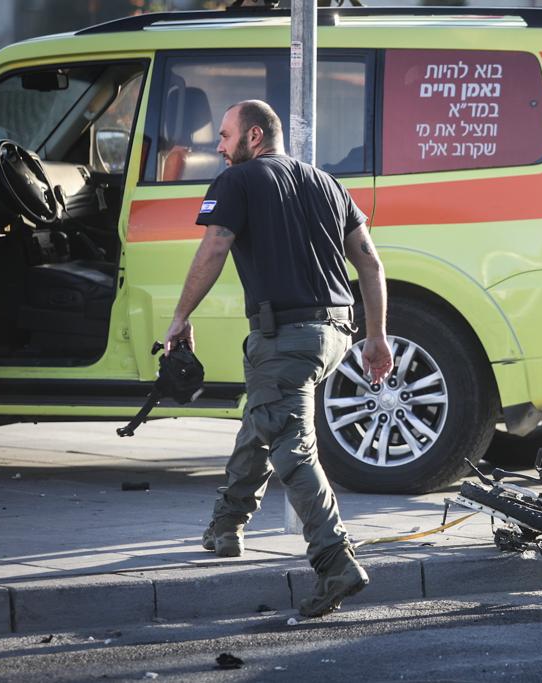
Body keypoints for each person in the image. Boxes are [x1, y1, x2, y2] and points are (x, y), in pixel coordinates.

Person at [164, 99, 393, 618]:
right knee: (263, 419)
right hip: (335, 333)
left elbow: (214, 249)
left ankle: (335, 562)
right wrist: (377, 338)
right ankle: (226, 526)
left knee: (294, 448)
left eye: (224, 136)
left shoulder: (236, 181)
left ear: (252, 137)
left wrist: (179, 317)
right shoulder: (329, 184)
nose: (218, 147)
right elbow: (371, 264)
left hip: (285, 336)